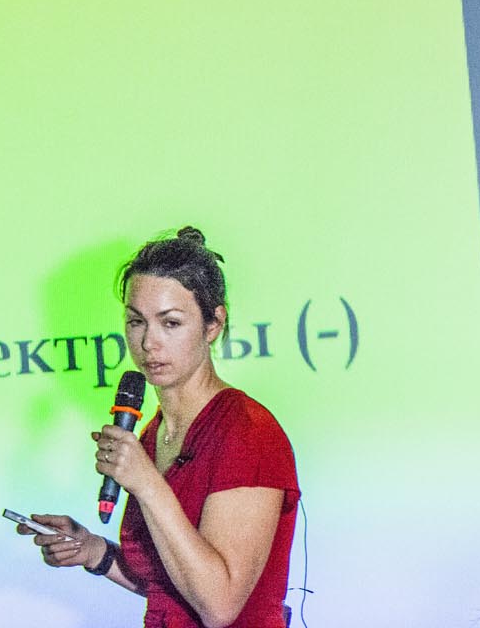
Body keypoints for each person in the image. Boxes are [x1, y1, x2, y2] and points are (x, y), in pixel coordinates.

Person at [18, 227, 299, 628]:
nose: (149, 342)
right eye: (136, 322)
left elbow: (218, 605)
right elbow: (170, 583)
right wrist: (93, 551)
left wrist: (147, 483)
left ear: (213, 324)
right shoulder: (152, 433)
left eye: (170, 323)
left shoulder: (247, 430)